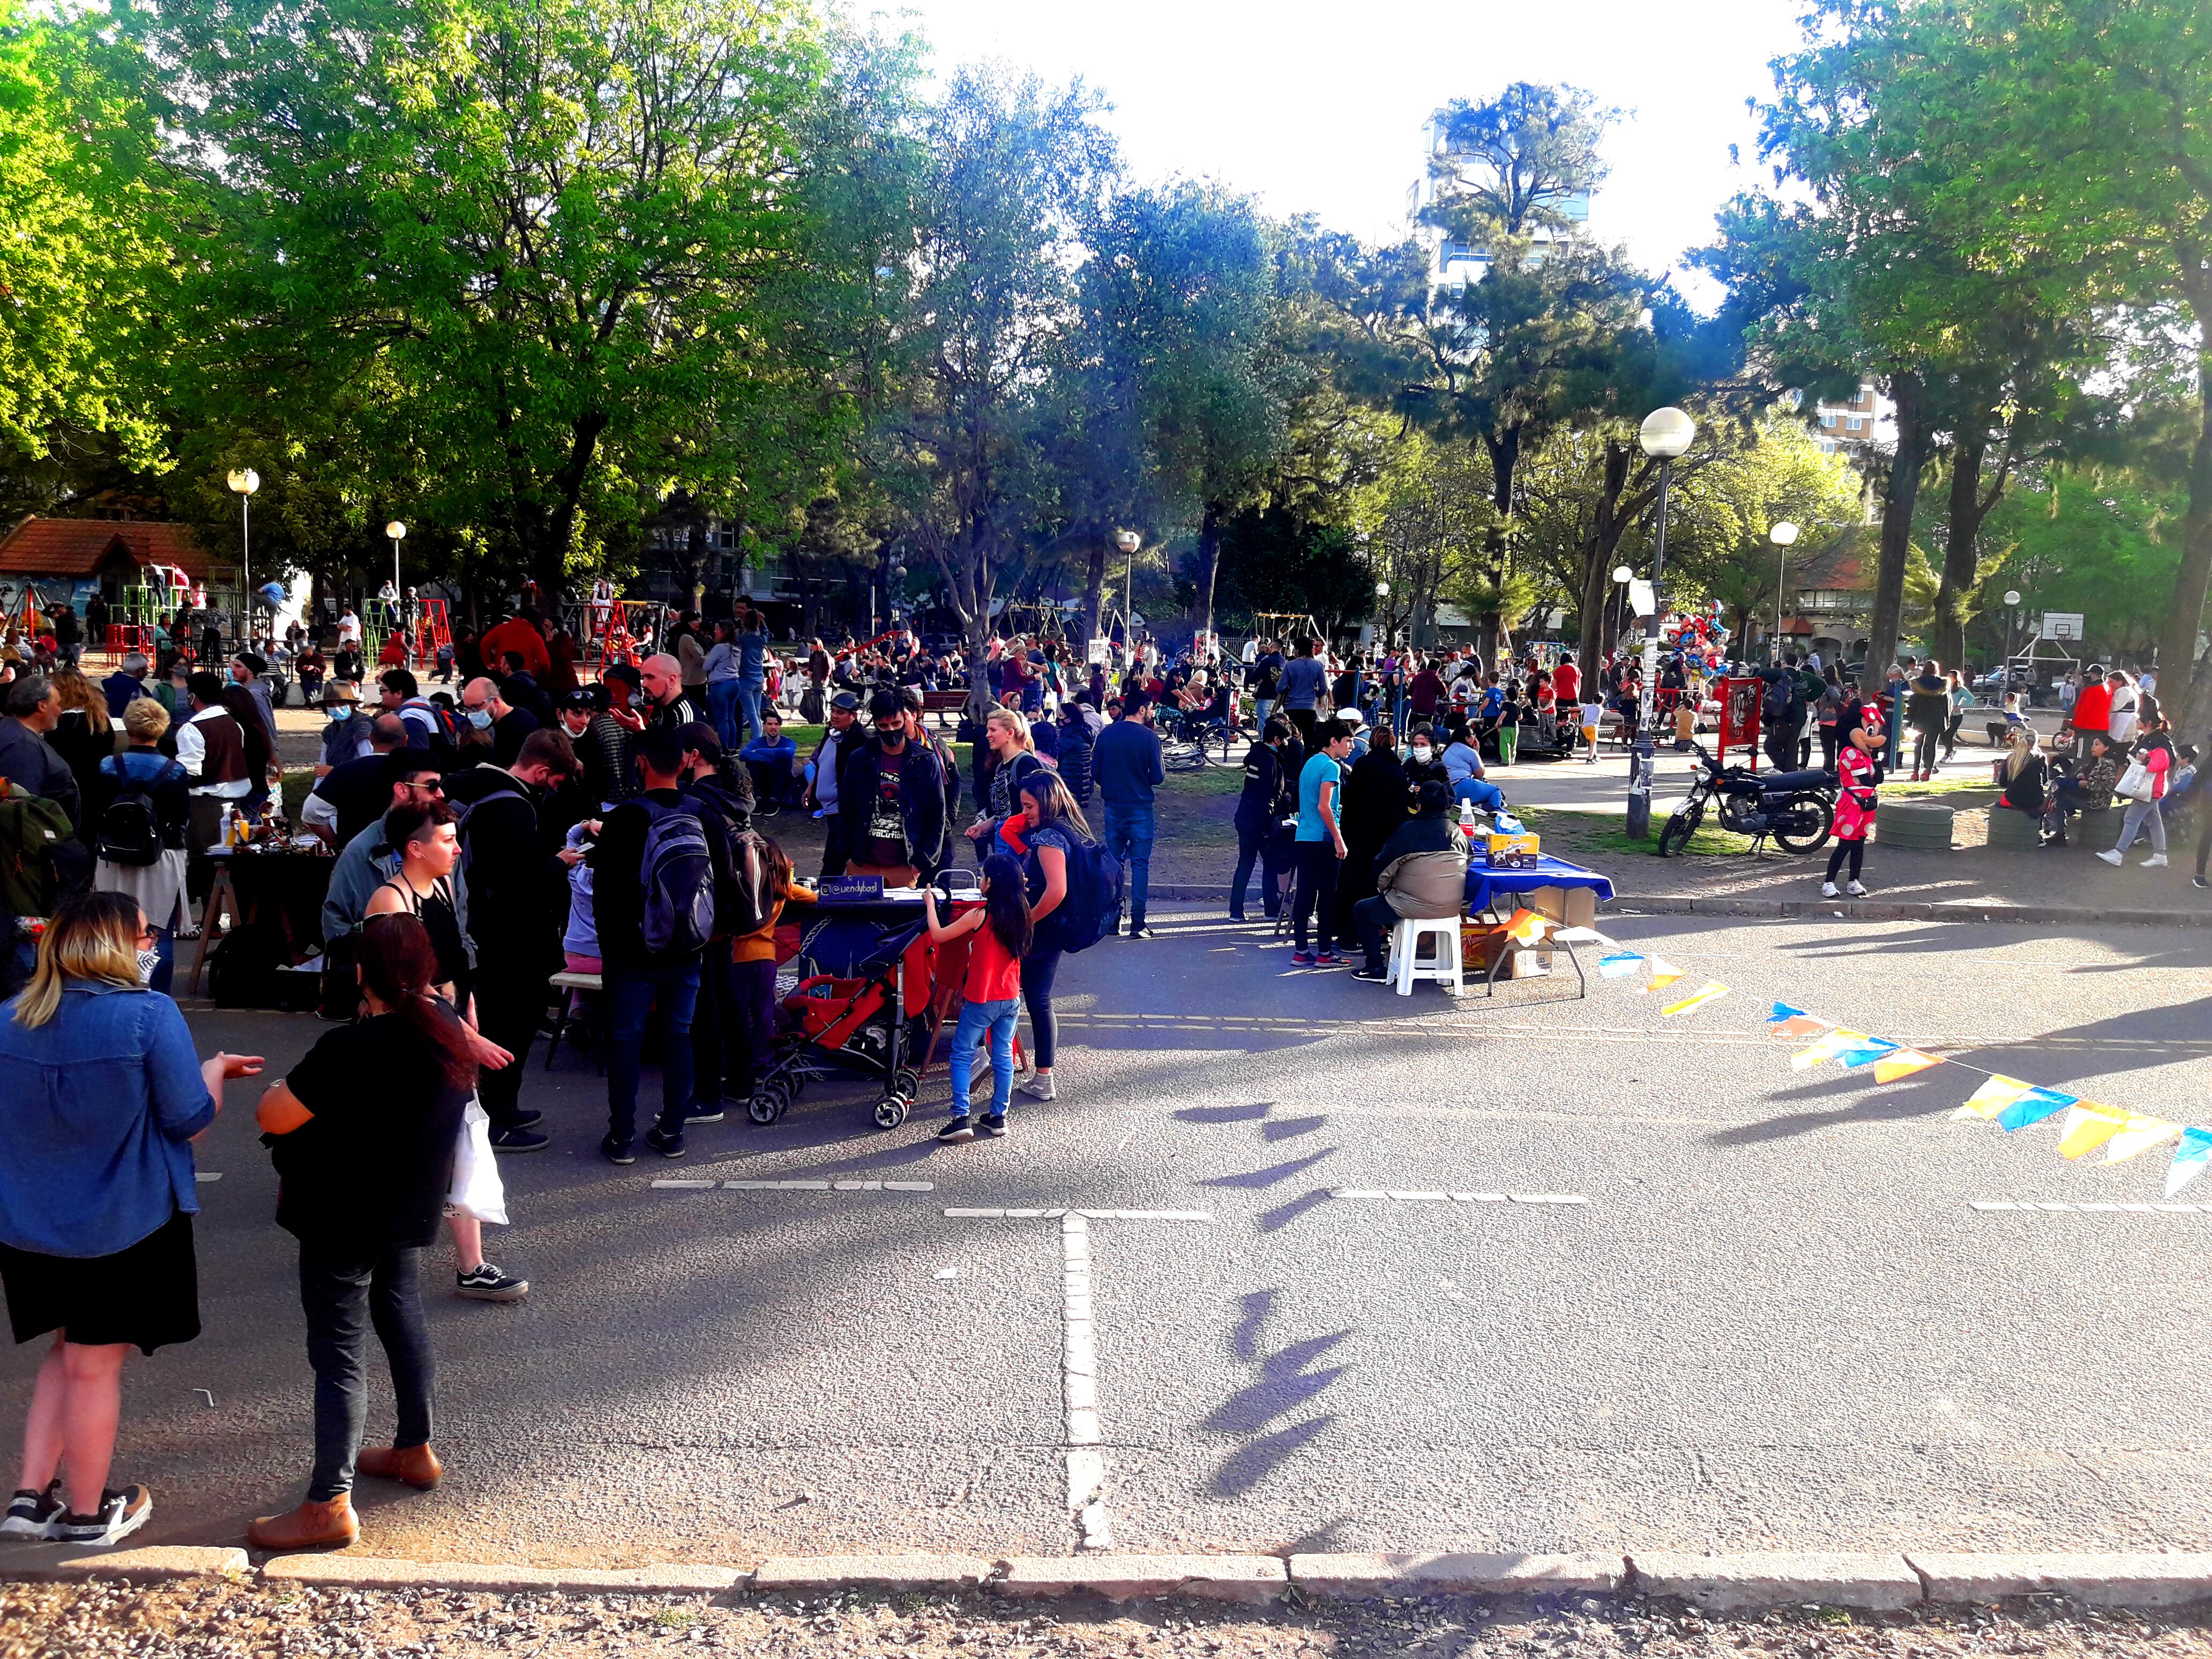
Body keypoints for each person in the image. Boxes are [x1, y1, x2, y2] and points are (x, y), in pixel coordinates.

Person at [0, 892, 261, 1546]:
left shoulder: (9, 1017)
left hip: (28, 1225)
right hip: (126, 1220)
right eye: (145, 934)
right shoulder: (149, 1015)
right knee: (93, 1367)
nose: (153, 945)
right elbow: (188, 1120)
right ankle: (89, 1514)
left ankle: (30, 1498)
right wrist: (213, 1072)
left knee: (66, 1356)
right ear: (118, 943)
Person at [244, 913, 477, 1551]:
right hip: (407, 1211)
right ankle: (414, 1449)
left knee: (339, 1352)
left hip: (340, 1215)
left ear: (359, 975)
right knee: (401, 1316)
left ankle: (328, 1503)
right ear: (427, 969)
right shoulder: (450, 1034)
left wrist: (273, 1085)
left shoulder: (351, 1047)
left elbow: (275, 1113)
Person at [360, 801, 527, 1299]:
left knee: (461, 1141)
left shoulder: (440, 885)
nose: (457, 848)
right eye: (447, 839)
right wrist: (469, 1038)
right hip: (408, 1040)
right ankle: (373, 1243)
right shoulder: (390, 903)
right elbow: (404, 988)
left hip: (444, 1032)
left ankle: (470, 1264)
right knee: (407, 1144)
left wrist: (468, 1006)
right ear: (415, 848)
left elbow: (453, 958)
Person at [443, 728, 580, 1148]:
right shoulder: (514, 809)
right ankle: (496, 1116)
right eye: (555, 780)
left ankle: (504, 1106)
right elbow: (522, 881)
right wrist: (559, 863)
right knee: (511, 1026)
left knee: (502, 1020)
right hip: (512, 935)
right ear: (541, 771)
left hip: (485, 927)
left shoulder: (478, 789)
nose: (556, 789)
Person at [592, 725, 707, 1163]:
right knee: (680, 1034)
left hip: (631, 951)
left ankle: (621, 1136)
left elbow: (604, 893)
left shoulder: (624, 818)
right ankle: (672, 1130)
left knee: (625, 1038)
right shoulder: (704, 813)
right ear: (684, 762)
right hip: (689, 947)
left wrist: (612, 949)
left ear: (640, 763)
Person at [925, 851, 1031, 1144]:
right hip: (1010, 997)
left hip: (981, 998)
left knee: (962, 1052)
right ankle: (998, 1116)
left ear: (989, 884)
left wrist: (930, 905)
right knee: (1002, 1055)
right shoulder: (1023, 914)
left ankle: (961, 1117)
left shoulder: (979, 916)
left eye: (983, 876)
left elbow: (938, 935)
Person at [91, 701, 192, 995]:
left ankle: (113, 989)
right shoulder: (174, 771)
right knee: (159, 932)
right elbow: (181, 818)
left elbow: (97, 811)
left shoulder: (108, 766)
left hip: (114, 857)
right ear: (161, 729)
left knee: (112, 928)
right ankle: (158, 996)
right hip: (161, 857)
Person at [1004, 771, 1086, 1105]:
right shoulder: (1073, 828)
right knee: (1038, 999)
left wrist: (1027, 921)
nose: (1025, 813)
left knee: (1005, 995)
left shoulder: (1049, 838)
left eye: (1029, 806)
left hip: (1041, 928)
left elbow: (1056, 890)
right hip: (1057, 928)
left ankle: (996, 1061)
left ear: (1047, 802)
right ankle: (1042, 1077)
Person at [1350, 780, 1470, 983]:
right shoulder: (1458, 833)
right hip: (1450, 908)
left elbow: (1381, 869)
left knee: (1363, 909)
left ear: (1419, 805)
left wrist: (1387, 888)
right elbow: (1468, 863)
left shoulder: (1408, 831)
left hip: (1409, 905)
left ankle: (1375, 967)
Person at [838, 688, 948, 887]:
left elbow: (937, 815)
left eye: (896, 723)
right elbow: (846, 810)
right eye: (883, 725)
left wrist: (921, 864)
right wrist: (847, 857)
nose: (890, 730)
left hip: (905, 865)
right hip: (863, 862)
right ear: (876, 725)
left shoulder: (925, 761)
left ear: (906, 719)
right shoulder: (859, 759)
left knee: (902, 918)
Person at [1092, 693, 1163, 939]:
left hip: (1113, 805)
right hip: (1140, 806)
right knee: (1140, 865)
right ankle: (1138, 922)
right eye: (1151, 708)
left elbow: (1096, 772)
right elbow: (1158, 777)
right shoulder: (1149, 738)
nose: (1152, 713)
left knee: (1115, 863)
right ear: (1142, 710)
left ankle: (1113, 920)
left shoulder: (1107, 734)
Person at [1289, 720, 1354, 967]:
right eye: (1347, 741)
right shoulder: (1331, 767)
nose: (1350, 746)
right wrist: (1339, 839)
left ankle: (1301, 950)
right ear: (1333, 742)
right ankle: (1325, 953)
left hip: (1304, 835)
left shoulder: (1310, 763)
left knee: (1305, 892)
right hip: (1323, 837)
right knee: (1327, 896)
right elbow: (1325, 806)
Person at [1335, 723, 1408, 940]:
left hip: (1359, 835)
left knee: (1353, 885)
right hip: (1385, 838)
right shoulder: (1398, 770)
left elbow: (1351, 800)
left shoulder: (1363, 765)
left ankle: (1347, 931)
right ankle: (1379, 930)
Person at [302, 715, 411, 849]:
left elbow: (311, 812)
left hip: (356, 855)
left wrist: (334, 843)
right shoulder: (417, 773)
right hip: (408, 854)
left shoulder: (345, 772)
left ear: (370, 738)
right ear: (405, 740)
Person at [171, 671, 248, 860]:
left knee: (206, 857)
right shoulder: (234, 724)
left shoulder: (192, 728)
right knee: (230, 853)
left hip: (207, 800)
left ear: (193, 697)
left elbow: (190, 771)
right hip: (236, 798)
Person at [1230, 718, 1295, 922]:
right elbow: (1267, 796)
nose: (1287, 744)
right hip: (1259, 820)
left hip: (1245, 817)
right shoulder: (1270, 761)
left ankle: (1236, 911)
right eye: (1285, 739)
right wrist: (1267, 826)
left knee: (1246, 863)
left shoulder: (1256, 756)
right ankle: (1271, 910)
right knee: (1270, 862)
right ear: (1277, 740)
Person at [0, 674, 81, 836]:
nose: (60, 711)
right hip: (38, 848)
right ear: (42, 706)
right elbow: (21, 808)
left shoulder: (13, 730)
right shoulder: (22, 746)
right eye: (58, 704)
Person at [2098, 714, 2176, 869]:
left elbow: (2166, 762)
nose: (2136, 721)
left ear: (2148, 723)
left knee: (2132, 818)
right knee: (2153, 821)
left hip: (2150, 787)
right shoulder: (2147, 738)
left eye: (2140, 719)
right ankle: (2160, 854)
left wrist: (2146, 757)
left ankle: (2119, 853)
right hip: (2150, 787)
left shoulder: (2160, 740)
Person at [1821, 704, 1882, 899]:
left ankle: (1853, 881)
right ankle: (1829, 882)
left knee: (1859, 844)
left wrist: (1876, 763)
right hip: (1852, 803)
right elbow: (1867, 780)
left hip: (1866, 804)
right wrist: (1874, 773)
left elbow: (1877, 779)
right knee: (1845, 843)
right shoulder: (1850, 752)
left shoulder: (1867, 756)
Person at [807, 691, 863, 877]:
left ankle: (830, 892)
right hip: (830, 808)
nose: (834, 716)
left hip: (844, 810)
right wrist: (811, 787)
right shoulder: (831, 734)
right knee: (833, 853)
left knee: (837, 855)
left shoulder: (859, 740)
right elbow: (824, 764)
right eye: (833, 711)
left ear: (853, 716)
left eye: (840, 713)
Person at [2044, 733, 2119, 848]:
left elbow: (2108, 786)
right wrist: (2081, 774)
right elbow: (2081, 769)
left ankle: (2056, 829)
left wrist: (2087, 785)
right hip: (2086, 795)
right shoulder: (2094, 760)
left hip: (2096, 801)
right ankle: (2057, 829)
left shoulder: (2108, 764)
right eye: (2093, 745)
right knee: (2058, 793)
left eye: (2097, 745)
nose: (2093, 747)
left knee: (2058, 797)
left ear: (2106, 748)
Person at [459, 676, 538, 769]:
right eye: (468, 709)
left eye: (476, 707)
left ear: (495, 701)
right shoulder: (507, 720)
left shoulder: (516, 729)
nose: (472, 714)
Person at [739, 710, 799, 814]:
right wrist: (769, 758)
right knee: (752, 764)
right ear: (764, 726)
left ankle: (774, 800)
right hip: (763, 778)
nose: (773, 727)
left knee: (783, 762)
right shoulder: (758, 742)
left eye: (776, 724)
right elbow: (744, 755)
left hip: (781, 780)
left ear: (780, 726)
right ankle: (757, 798)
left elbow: (788, 753)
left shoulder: (788, 742)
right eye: (770, 724)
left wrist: (760, 751)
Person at [1277, 639, 1329, 744]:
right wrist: (1316, 694)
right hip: (1309, 708)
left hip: (1291, 708)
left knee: (1291, 740)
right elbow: (1324, 688)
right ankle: (1307, 760)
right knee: (1310, 742)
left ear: (1297, 650)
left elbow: (1280, 688)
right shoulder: (1318, 665)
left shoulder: (1290, 665)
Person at [478, 609, 551, 682]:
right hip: (526, 678)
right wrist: (542, 675)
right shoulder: (536, 638)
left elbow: (485, 643)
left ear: (519, 616)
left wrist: (489, 663)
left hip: (502, 673)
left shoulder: (501, 629)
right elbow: (544, 663)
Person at [637, 652, 701, 733]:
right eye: (643, 678)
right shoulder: (661, 707)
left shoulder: (683, 717)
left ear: (671, 680)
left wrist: (641, 732)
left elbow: (675, 745)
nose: (643, 684)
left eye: (650, 677)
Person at [1906, 663, 1950, 781]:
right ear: (1936, 670)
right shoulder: (1943, 685)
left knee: (1918, 745)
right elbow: (1947, 704)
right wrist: (1947, 720)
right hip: (1936, 720)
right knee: (1931, 745)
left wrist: (1909, 720)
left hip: (1920, 719)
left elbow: (1912, 704)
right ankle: (1928, 771)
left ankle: (1915, 771)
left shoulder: (1917, 684)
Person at [735, 607, 771, 745]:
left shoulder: (742, 640)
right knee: (756, 714)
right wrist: (762, 622)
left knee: (751, 716)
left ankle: (756, 743)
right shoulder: (761, 640)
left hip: (746, 680)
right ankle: (758, 740)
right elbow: (766, 633)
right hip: (758, 678)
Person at [2068, 664, 2112, 761]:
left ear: (2093, 675)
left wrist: (2072, 727)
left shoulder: (2091, 689)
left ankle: (2076, 774)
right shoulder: (2108, 687)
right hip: (2103, 728)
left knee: (2081, 756)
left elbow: (2082, 710)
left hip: (2086, 728)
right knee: (2093, 758)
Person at [101, 655, 150, 723]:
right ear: (140, 671)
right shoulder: (137, 691)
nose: (147, 673)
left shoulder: (111, 684)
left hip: (111, 725)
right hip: (130, 728)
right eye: (146, 669)